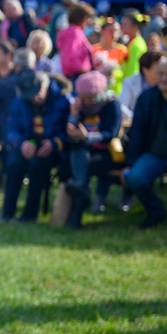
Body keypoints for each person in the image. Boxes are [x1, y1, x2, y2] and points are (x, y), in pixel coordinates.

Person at [0, 70, 71, 222]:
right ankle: (7, 212)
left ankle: (29, 214)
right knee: (14, 163)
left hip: (53, 148)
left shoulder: (62, 99)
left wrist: (55, 143)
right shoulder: (19, 101)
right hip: (27, 143)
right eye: (31, 94)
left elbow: (69, 129)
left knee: (37, 165)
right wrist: (21, 143)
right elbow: (10, 129)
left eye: (38, 92)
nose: (35, 97)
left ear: (46, 86)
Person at [123, 57, 167, 229]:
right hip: (154, 154)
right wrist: (130, 164)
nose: (164, 78)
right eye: (161, 74)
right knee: (134, 178)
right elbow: (137, 134)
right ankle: (156, 211)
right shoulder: (147, 98)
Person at [63, 71, 122, 226]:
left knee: (84, 170)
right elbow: (70, 134)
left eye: (91, 98)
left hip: (106, 152)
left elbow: (111, 133)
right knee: (76, 157)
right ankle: (77, 208)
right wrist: (74, 115)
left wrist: (87, 137)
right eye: (84, 98)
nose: (88, 102)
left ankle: (76, 215)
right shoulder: (79, 105)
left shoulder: (111, 105)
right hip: (82, 151)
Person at [119, 50, 164, 122]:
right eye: (158, 64)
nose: (163, 68)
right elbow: (121, 106)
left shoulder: (166, 83)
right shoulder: (130, 82)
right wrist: (137, 118)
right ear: (145, 69)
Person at [56, 2, 95, 80]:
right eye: (88, 18)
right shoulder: (75, 34)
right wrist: (84, 71)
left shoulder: (74, 32)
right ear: (84, 18)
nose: (89, 21)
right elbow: (70, 58)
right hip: (76, 77)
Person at [92, 18, 128, 92]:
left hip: (117, 91)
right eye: (111, 31)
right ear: (102, 32)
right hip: (98, 90)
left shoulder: (123, 50)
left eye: (117, 31)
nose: (114, 35)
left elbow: (125, 72)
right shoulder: (94, 49)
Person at [119, 13, 148, 81]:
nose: (121, 27)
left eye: (125, 24)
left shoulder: (136, 45)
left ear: (134, 27)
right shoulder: (134, 42)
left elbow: (133, 70)